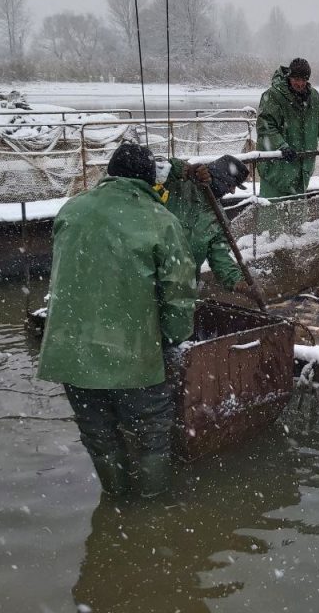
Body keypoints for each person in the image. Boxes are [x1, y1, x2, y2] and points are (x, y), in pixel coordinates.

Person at [37, 142, 197, 498]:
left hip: (71, 352)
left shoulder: (72, 209)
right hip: (132, 354)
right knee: (152, 435)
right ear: (147, 180)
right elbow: (180, 294)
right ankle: (153, 513)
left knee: (98, 433)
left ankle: (116, 500)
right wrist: (172, 339)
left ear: (110, 173)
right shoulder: (161, 221)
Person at [157, 153, 250, 293]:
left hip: (182, 284)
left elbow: (219, 255)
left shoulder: (219, 219)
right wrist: (185, 169)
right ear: (220, 177)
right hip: (152, 271)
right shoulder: (180, 186)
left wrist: (237, 281)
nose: (232, 191)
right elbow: (156, 170)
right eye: (231, 185)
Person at [255, 57, 319, 198]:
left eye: (304, 79)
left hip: (302, 170)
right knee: (272, 213)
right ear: (289, 76)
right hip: (276, 169)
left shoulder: (314, 96)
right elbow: (265, 126)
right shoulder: (273, 96)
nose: (300, 83)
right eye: (296, 78)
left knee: (298, 214)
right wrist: (281, 146)